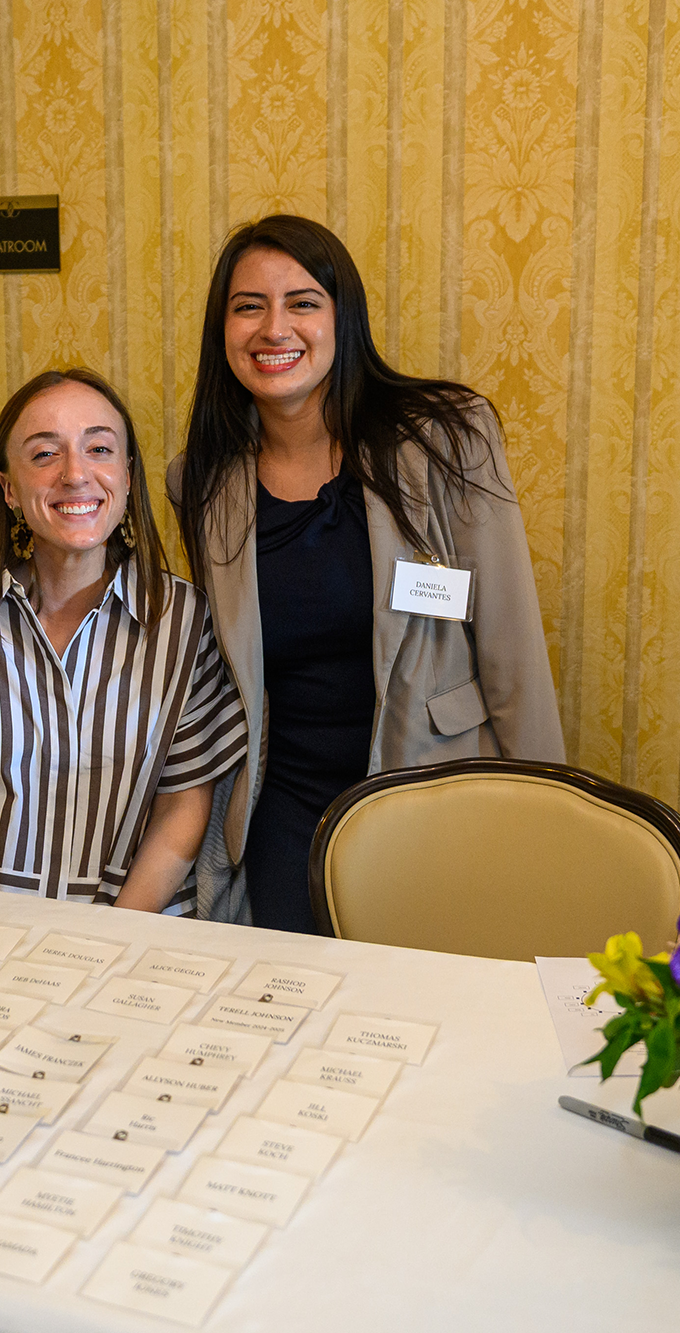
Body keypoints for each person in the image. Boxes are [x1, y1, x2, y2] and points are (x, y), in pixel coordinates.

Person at [169, 214, 564, 933]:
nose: (273, 328)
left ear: (341, 317)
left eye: (303, 302)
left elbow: (511, 647)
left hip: (434, 787)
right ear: (221, 330)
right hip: (281, 808)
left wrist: (542, 819)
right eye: (248, 306)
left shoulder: (445, 438)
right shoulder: (200, 485)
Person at [0, 368, 246, 913]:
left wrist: (116, 938)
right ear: (9, 489)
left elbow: (183, 809)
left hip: (138, 931)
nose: (75, 474)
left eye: (98, 449)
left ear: (126, 477)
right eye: (44, 455)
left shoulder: (186, 619)